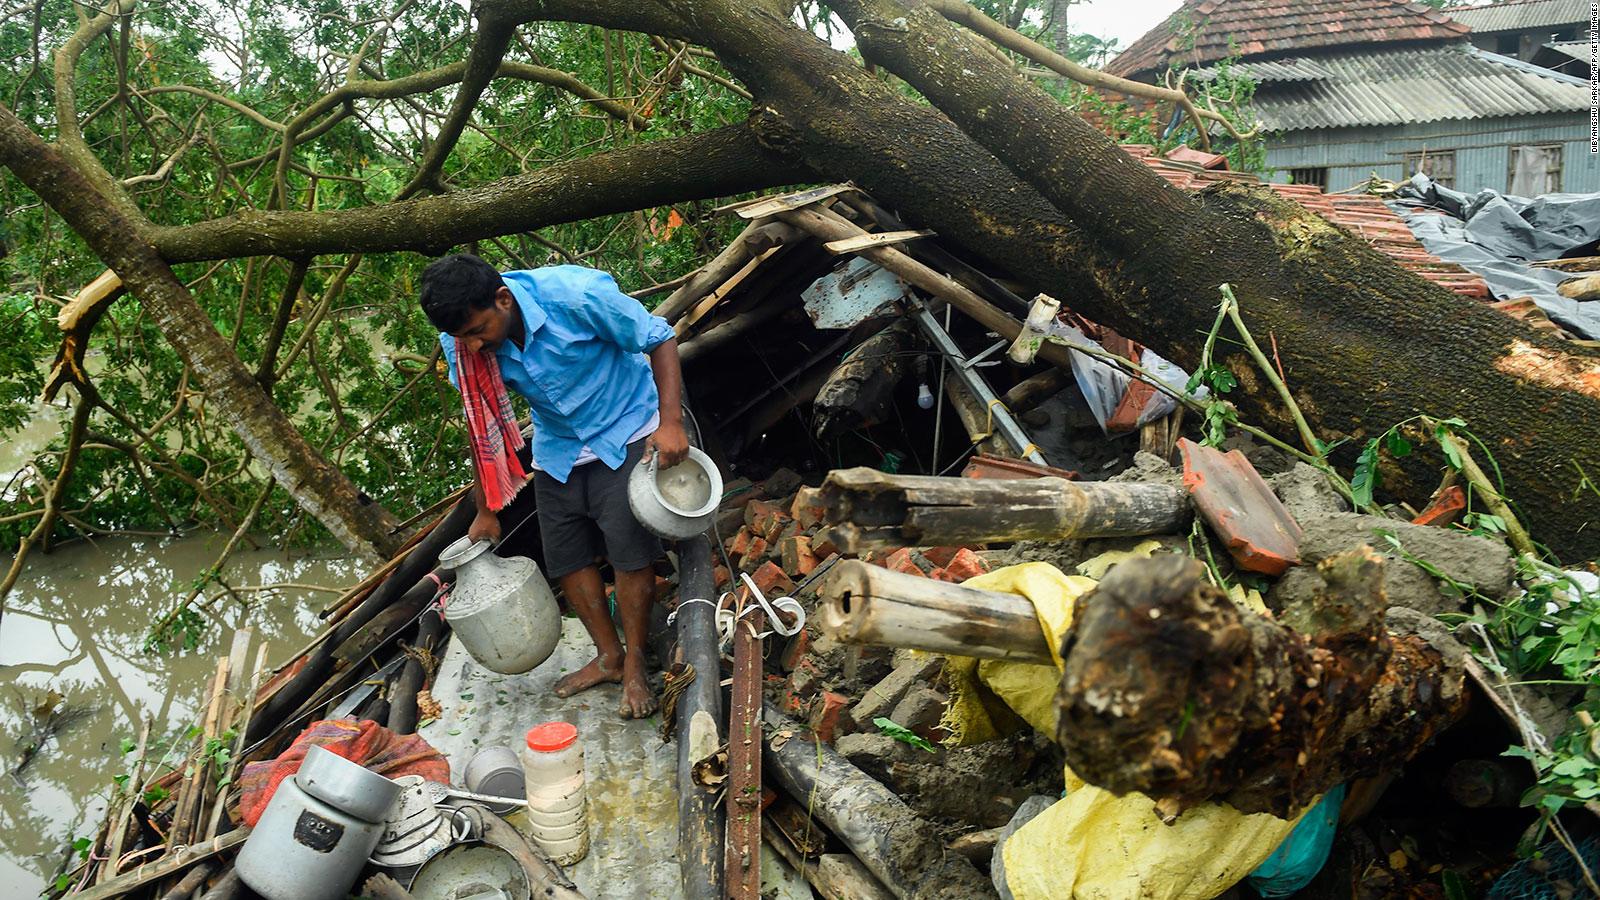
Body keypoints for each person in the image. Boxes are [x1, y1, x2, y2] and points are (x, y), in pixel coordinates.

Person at [419, 253, 689, 718]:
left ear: (503, 299)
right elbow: (478, 422)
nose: (476, 347)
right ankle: (609, 656)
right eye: (464, 337)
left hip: (626, 427)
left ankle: (636, 665)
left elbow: (660, 340)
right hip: (558, 448)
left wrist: (670, 423)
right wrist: (486, 509)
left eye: (480, 331)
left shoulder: (576, 296)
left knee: (628, 553)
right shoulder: (461, 342)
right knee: (566, 555)